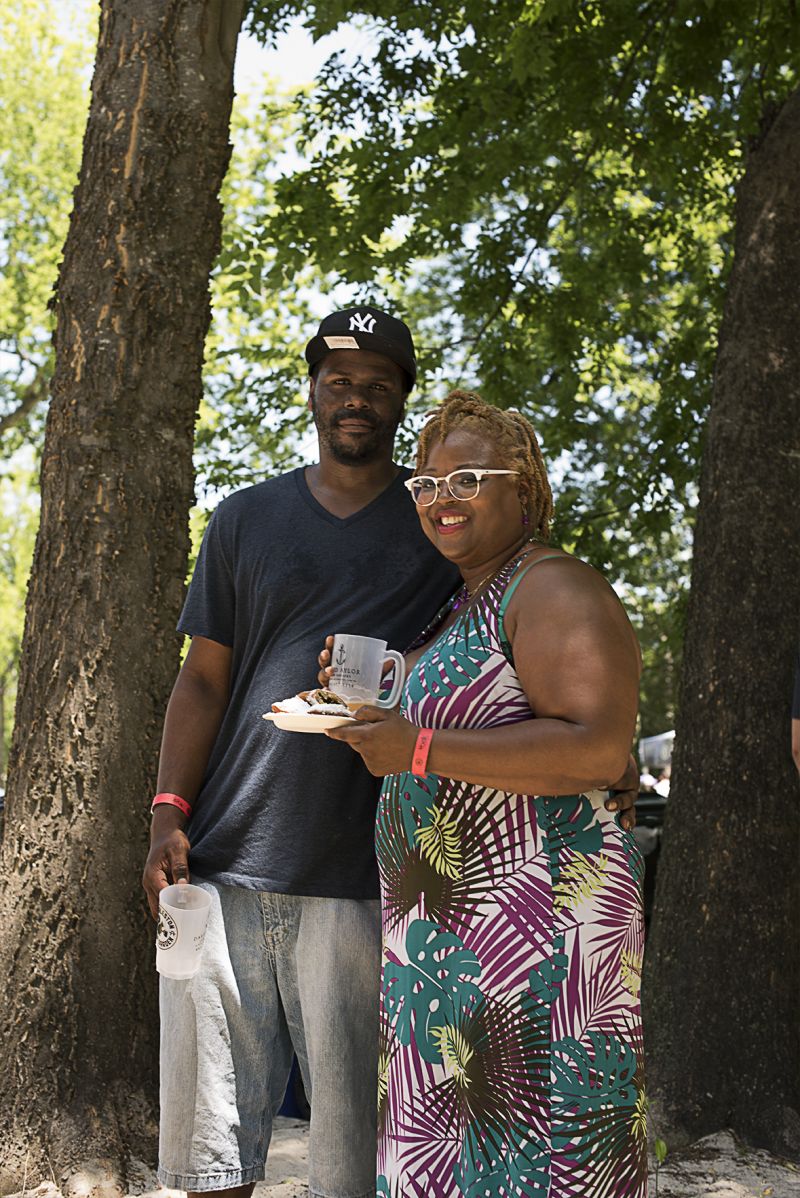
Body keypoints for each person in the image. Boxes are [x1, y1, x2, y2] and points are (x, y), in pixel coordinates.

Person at [143, 313, 639, 1198]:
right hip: (262, 874)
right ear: (312, 390)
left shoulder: (473, 548)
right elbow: (203, 684)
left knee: (363, 1160)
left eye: (378, 383)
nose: (355, 397)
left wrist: (606, 758)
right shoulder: (255, 520)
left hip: (416, 905)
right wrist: (167, 814)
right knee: (211, 1145)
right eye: (339, 380)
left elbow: (574, 705)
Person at [322, 391, 647, 1197]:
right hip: (451, 953)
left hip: (539, 944)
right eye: (426, 485)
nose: (441, 498)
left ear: (524, 490)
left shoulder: (553, 587)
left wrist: (417, 746)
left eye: (467, 477)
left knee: (544, 1159)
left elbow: (598, 747)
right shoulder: (463, 601)